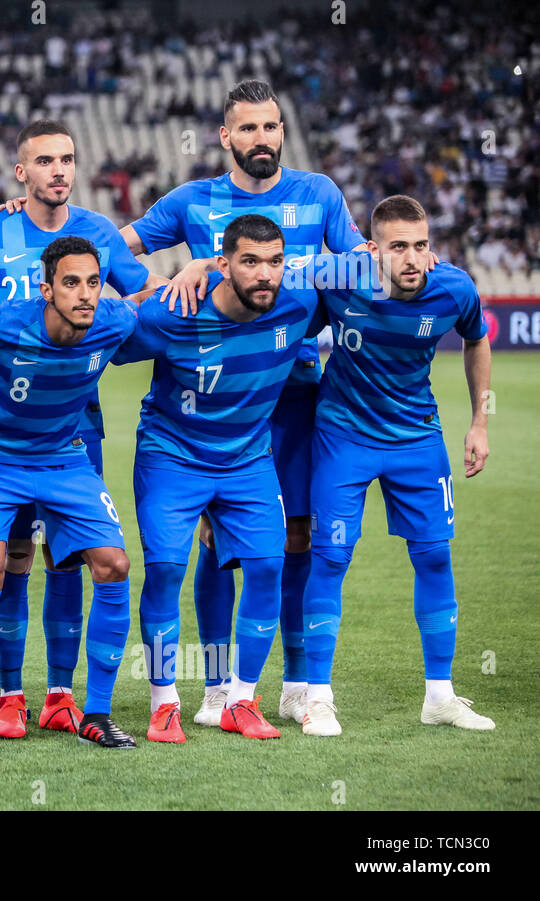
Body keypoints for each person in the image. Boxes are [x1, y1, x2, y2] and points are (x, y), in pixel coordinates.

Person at [118, 79, 369, 727]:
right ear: (225, 137)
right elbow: (111, 247)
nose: (263, 138)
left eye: (272, 126)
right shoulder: (192, 201)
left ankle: (292, 684)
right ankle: (211, 685)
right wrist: (164, 277)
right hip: (212, 397)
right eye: (249, 128)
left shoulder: (319, 195)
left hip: (299, 390)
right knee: (211, 541)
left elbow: (359, 267)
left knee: (296, 539)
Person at [0, 119, 165, 739]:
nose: (59, 170)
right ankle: (10, 694)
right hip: (4, 425)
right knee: (10, 560)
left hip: (77, 422)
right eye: (44, 160)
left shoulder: (99, 234)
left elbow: (147, 298)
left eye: (68, 159)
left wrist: (189, 277)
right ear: (21, 172)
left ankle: (61, 695)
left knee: (69, 559)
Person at [112, 214, 325, 742]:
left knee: (269, 566)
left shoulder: (301, 301)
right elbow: (102, 347)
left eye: (275, 262)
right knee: (164, 570)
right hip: (172, 454)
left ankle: (241, 699)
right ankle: (164, 703)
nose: (265, 275)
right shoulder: (177, 309)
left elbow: (370, 271)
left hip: (249, 458)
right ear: (224, 265)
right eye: (250, 262)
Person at [295, 195, 494, 736]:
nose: (412, 259)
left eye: (421, 245)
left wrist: (479, 421)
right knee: (330, 559)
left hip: (417, 438)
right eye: (398, 247)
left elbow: (477, 339)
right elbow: (274, 281)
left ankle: (441, 697)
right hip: (344, 436)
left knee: (434, 558)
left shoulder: (453, 287)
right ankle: (317, 699)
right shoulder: (338, 276)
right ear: (371, 249)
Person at [0, 236, 138, 752]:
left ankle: (98, 713)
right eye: (71, 283)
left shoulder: (114, 321)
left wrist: (197, 268)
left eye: (93, 282)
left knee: (113, 564)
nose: (86, 294)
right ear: (46, 289)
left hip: (65, 459)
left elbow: (153, 305)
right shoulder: (2, 321)